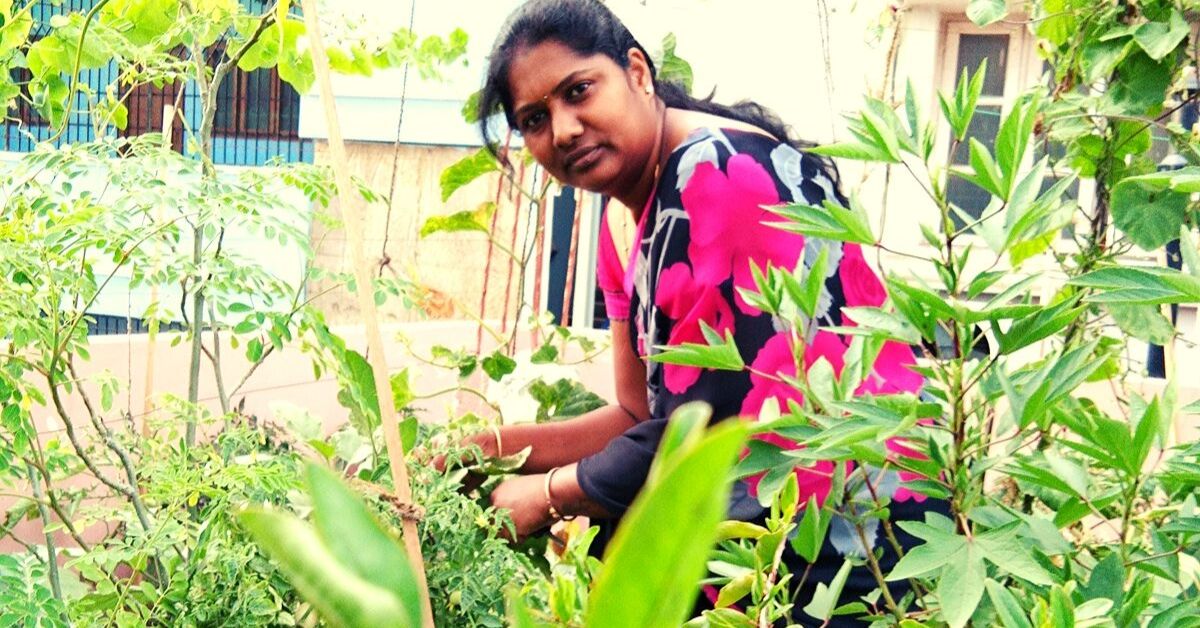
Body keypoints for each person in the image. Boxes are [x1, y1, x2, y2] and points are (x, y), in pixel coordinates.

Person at [450, 0, 943, 622]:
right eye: (535, 119)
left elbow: (706, 430)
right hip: (761, 551)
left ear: (636, 72)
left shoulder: (720, 177)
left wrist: (548, 494)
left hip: (851, 545)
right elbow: (641, 413)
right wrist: (483, 448)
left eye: (578, 91)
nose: (565, 129)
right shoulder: (623, 221)